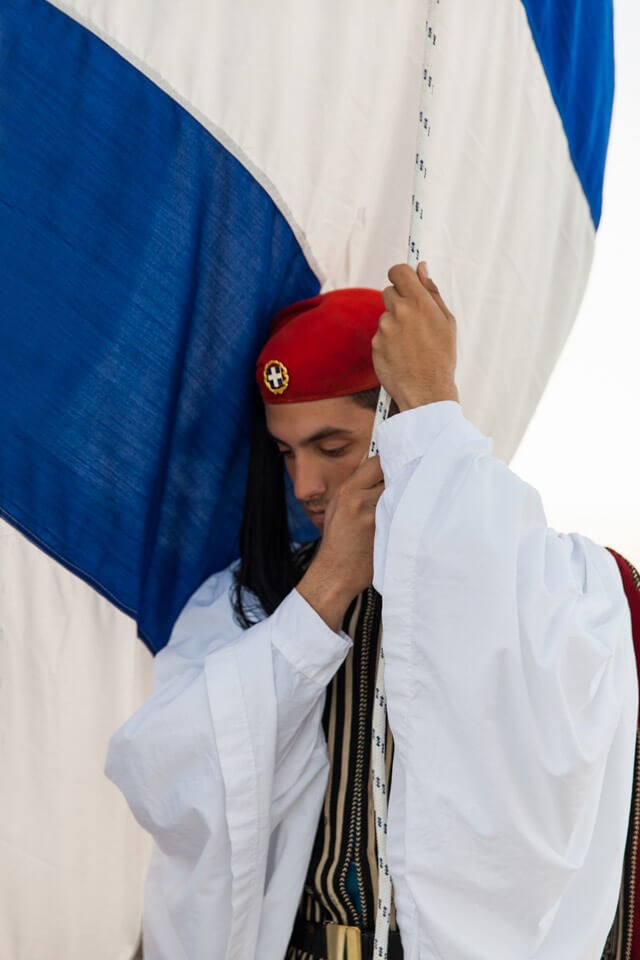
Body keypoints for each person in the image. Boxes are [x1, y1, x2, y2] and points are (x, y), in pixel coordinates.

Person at [106, 262, 640, 960]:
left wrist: (433, 419)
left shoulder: (538, 584)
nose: (305, 485)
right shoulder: (246, 599)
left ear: (401, 428)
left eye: (333, 448)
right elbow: (165, 774)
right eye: (285, 453)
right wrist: (322, 593)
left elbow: (543, 741)